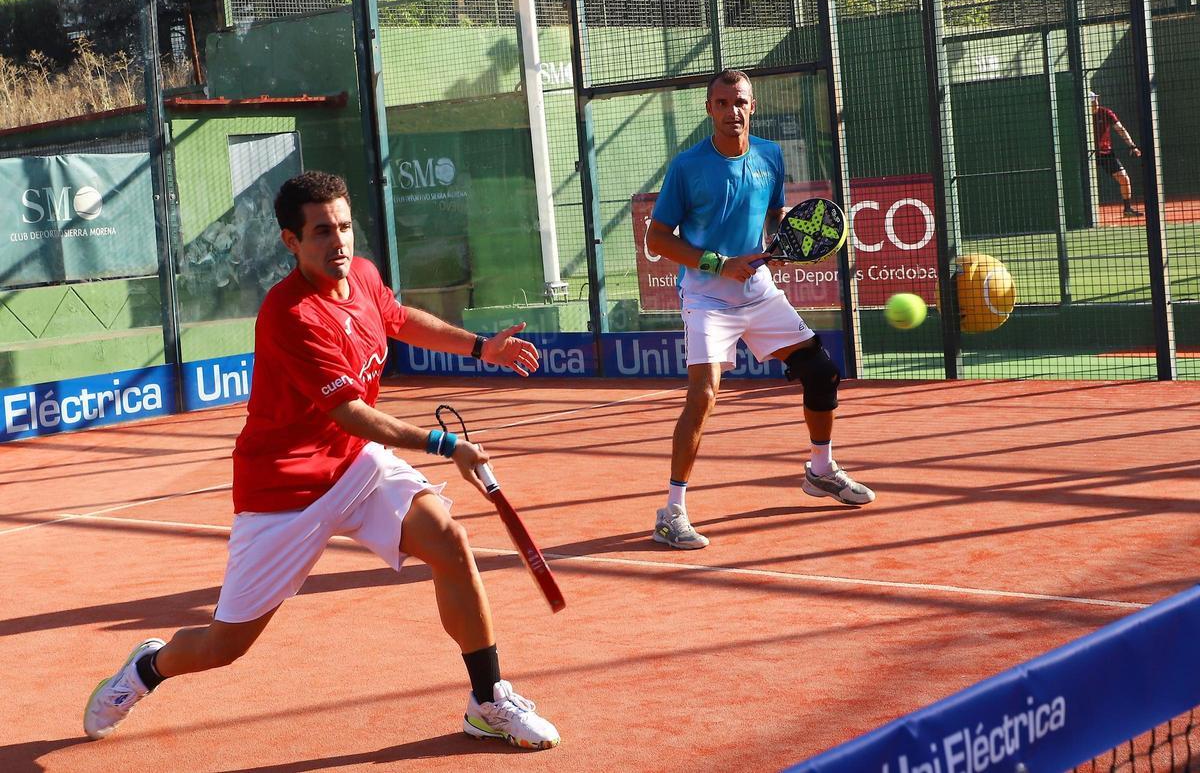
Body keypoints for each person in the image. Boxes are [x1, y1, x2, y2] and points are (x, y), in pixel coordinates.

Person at [83, 171, 559, 750]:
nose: (338, 243)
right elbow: (353, 414)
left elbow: (399, 318)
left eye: (344, 227)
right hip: (283, 491)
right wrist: (445, 445)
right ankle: (146, 670)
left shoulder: (360, 275)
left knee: (449, 542)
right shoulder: (290, 316)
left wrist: (482, 347)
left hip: (356, 466)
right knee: (223, 646)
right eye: (321, 233)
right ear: (292, 242)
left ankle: (487, 701)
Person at [644, 69, 875, 551]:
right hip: (708, 297)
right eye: (723, 103)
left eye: (741, 102)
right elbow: (658, 238)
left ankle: (820, 470)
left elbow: (772, 216)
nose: (733, 111)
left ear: (754, 107)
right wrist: (719, 264)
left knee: (822, 371)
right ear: (710, 109)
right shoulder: (687, 167)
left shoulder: (770, 156)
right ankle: (672, 512)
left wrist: (786, 238)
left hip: (759, 290)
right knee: (703, 395)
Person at [1090, 91, 1143, 218]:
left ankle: (1127, 209)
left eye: (1095, 99)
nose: (1095, 102)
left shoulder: (1106, 113)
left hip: (1106, 153)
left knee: (1124, 178)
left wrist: (1132, 145)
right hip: (1088, 155)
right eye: (1092, 100)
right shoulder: (1081, 117)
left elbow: (1121, 129)